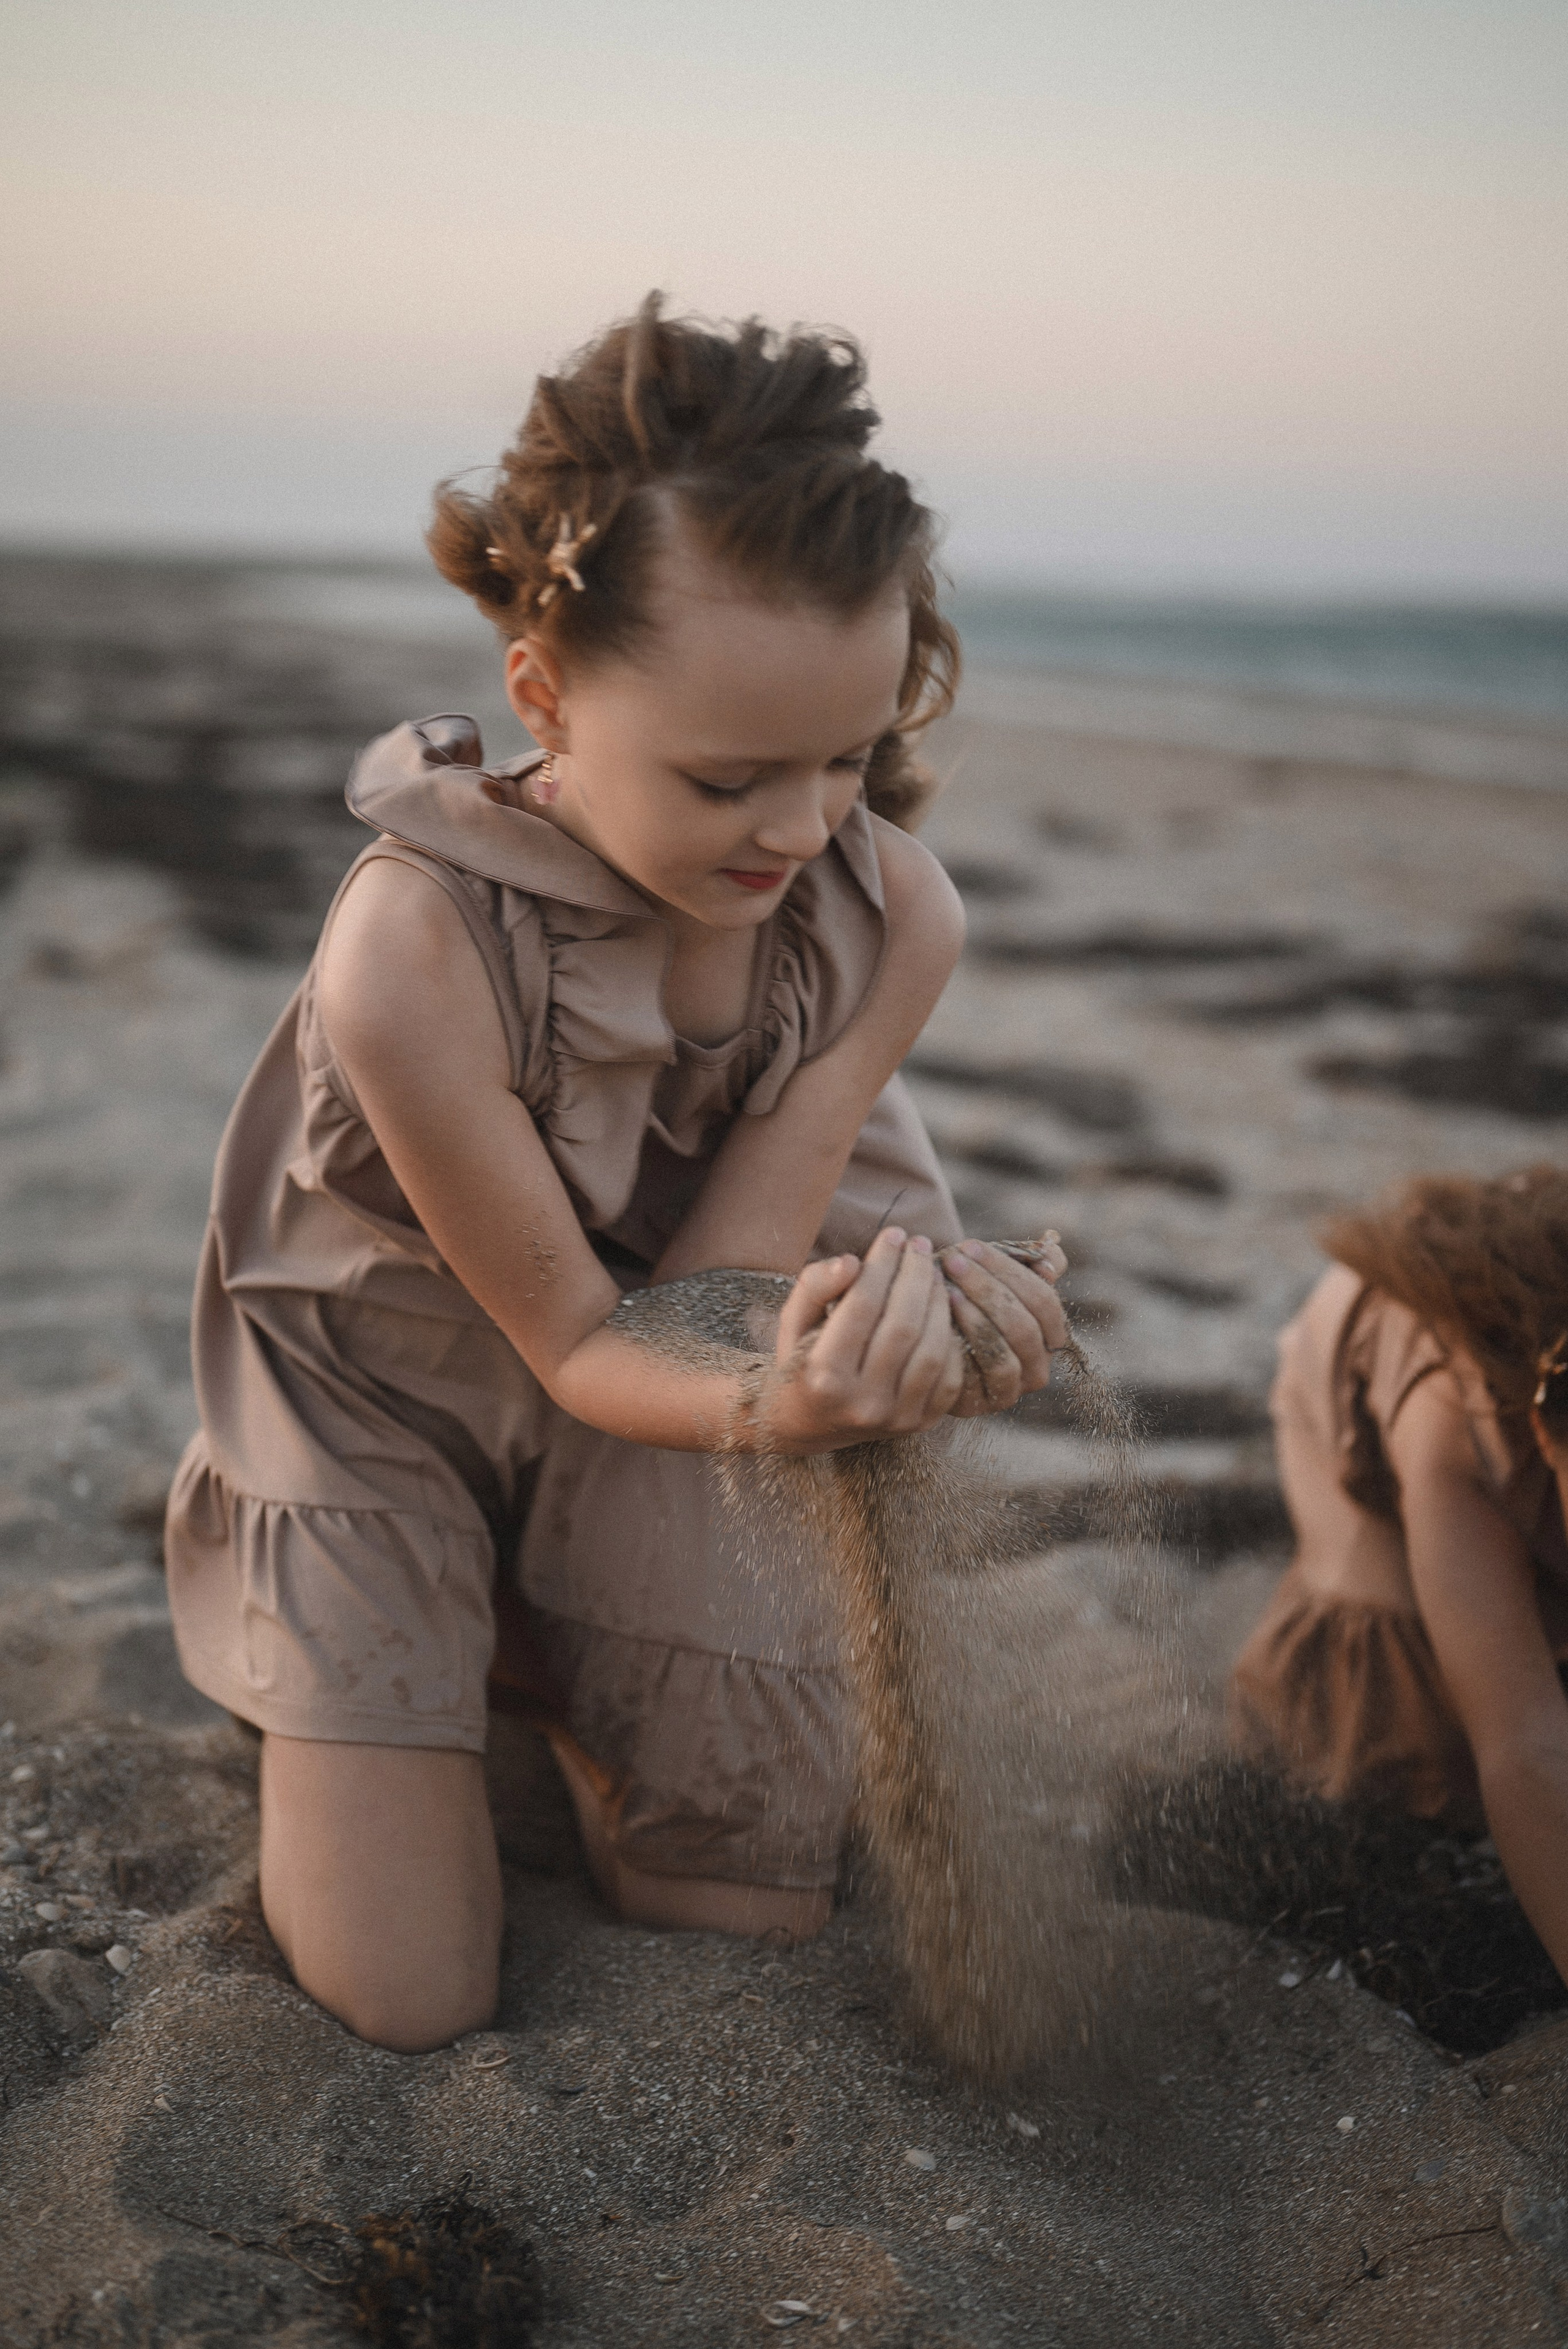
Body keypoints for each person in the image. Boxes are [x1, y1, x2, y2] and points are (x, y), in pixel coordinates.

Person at [164, 296, 1069, 2052]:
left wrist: (903, 1345)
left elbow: (706, 1307)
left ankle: (548, 1645)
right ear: (545, 689)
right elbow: (581, 1341)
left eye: (849, 756)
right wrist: (777, 1402)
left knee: (737, 1912)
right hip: (390, 1407)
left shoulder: (891, 917)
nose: (805, 829)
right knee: (406, 1998)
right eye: (730, 775)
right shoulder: (415, 948)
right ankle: (417, 1645)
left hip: (668, 1370)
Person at [1232, 1166, 1568, 1983]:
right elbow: (1523, 1746)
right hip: (1368, 1368)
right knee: (1406, 1720)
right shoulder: (1457, 1426)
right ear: (1547, 1437)